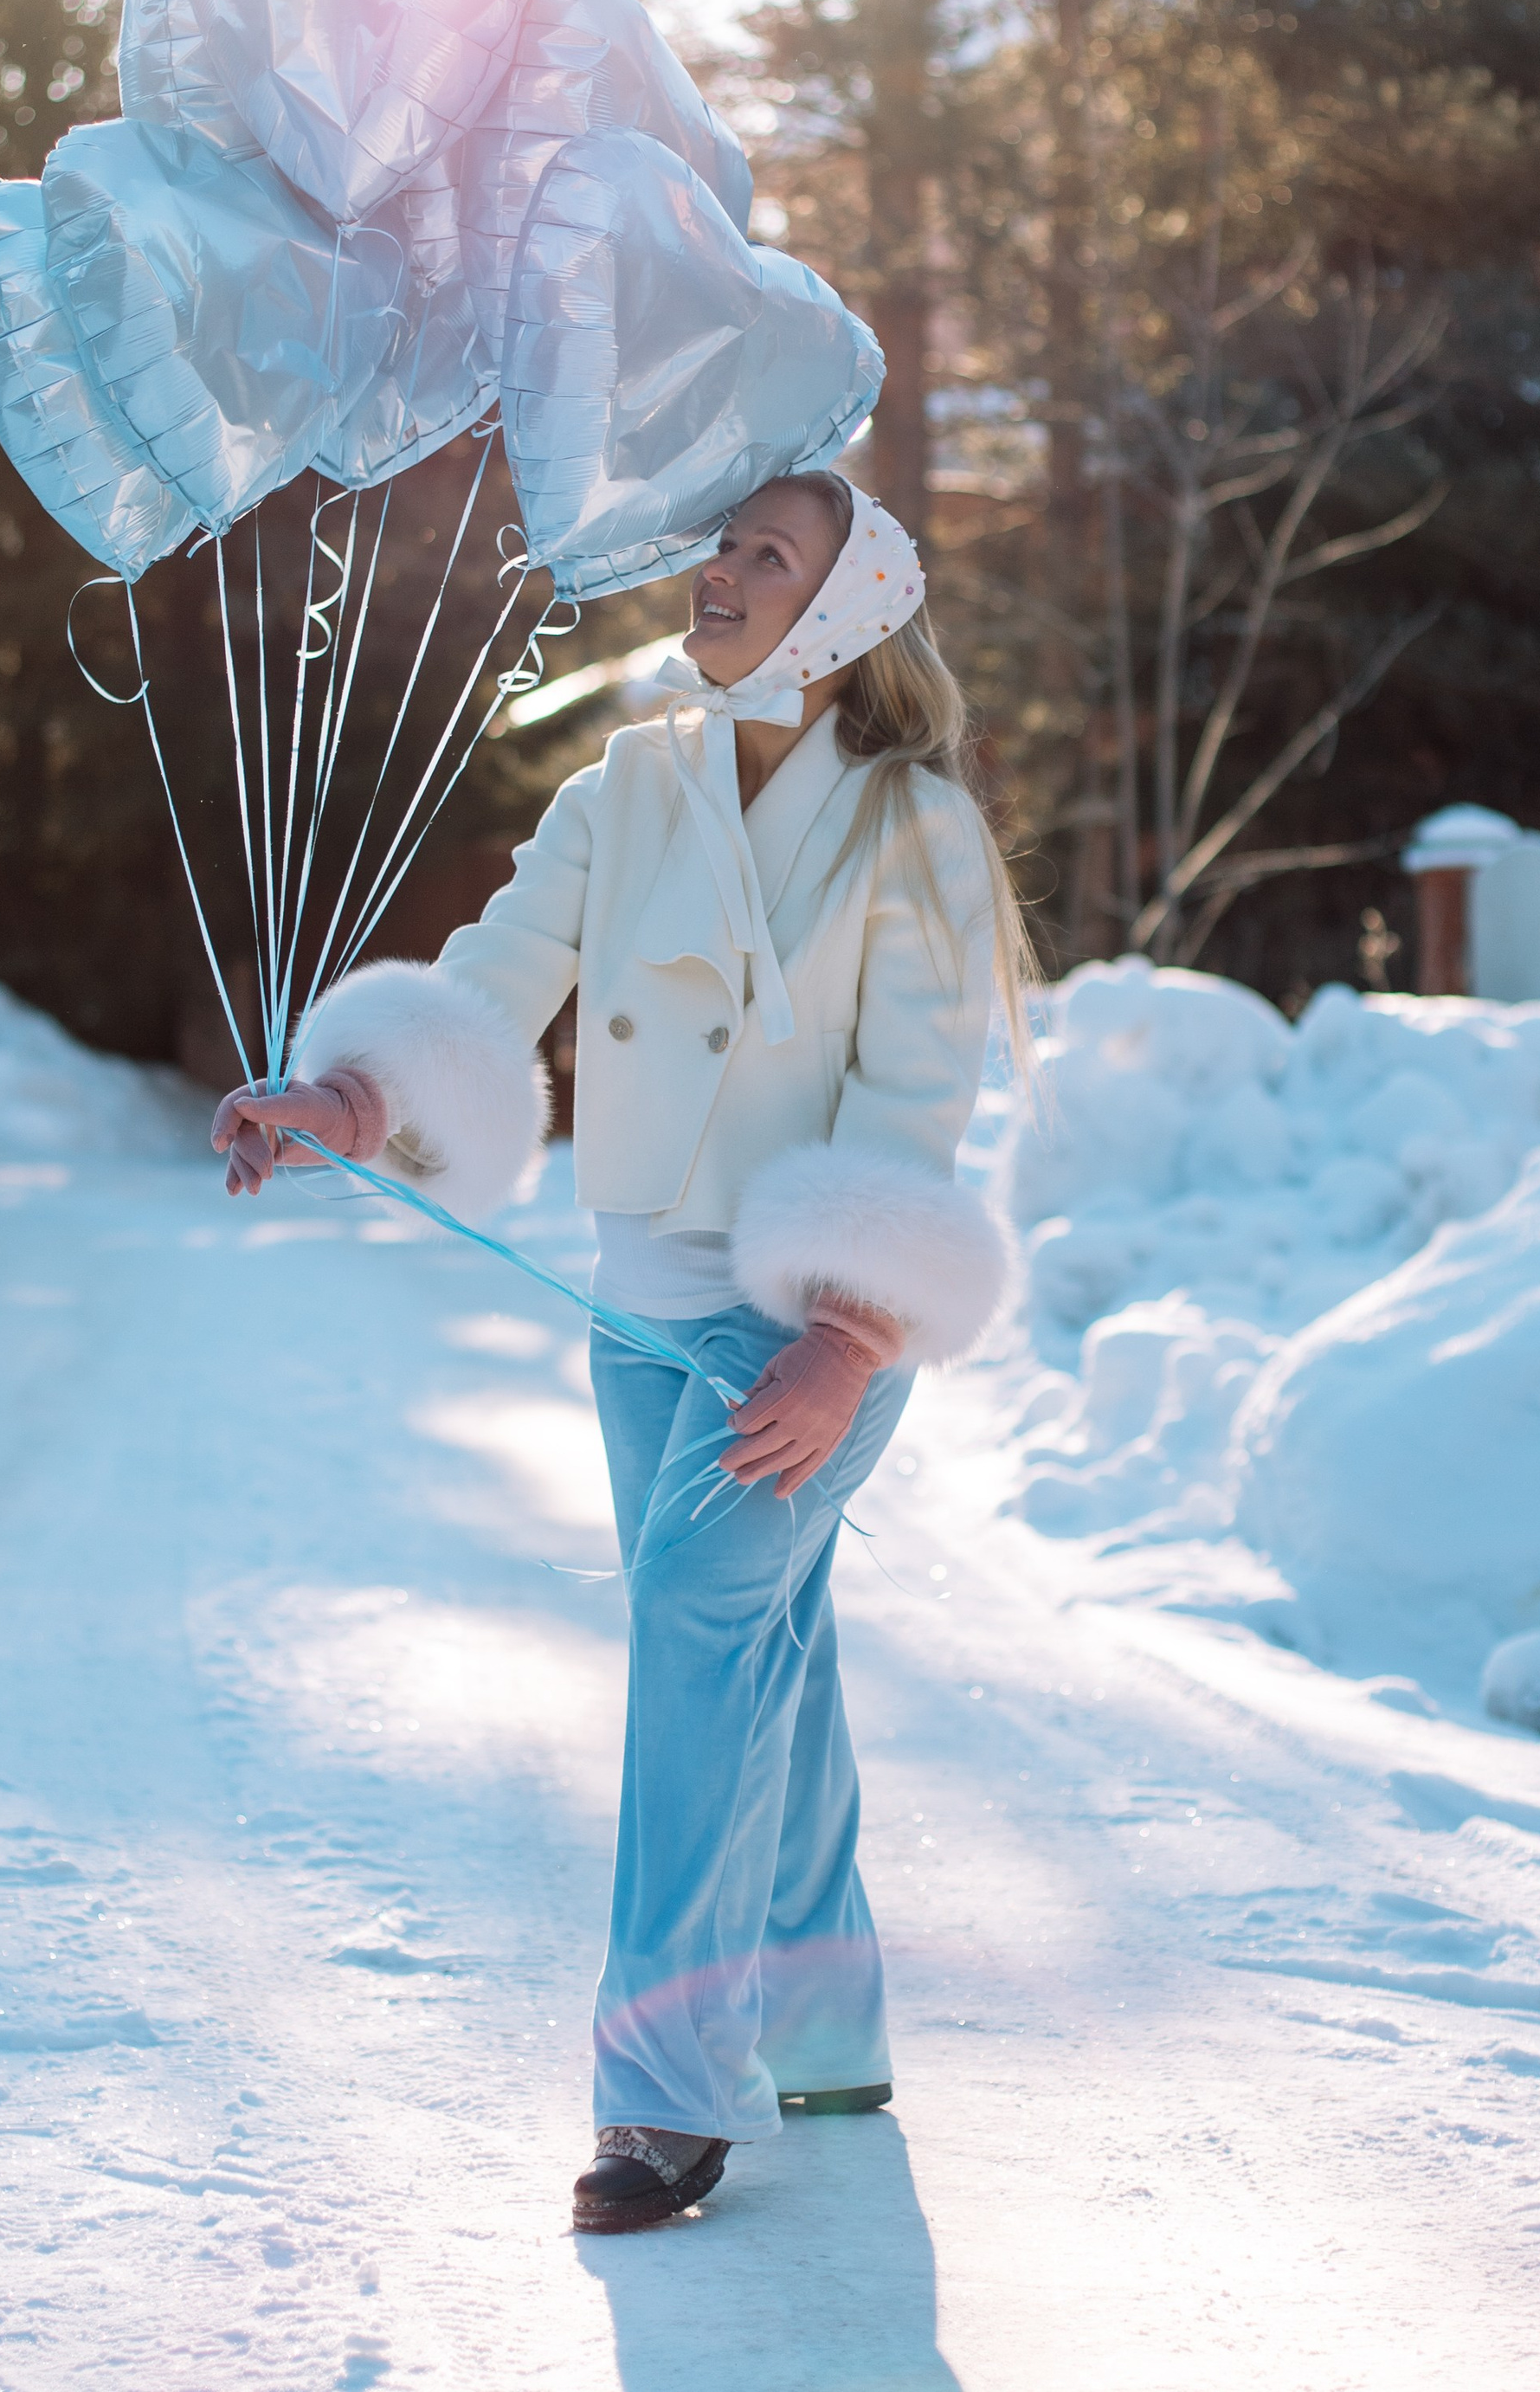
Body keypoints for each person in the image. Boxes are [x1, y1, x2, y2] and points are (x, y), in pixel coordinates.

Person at [212, 469, 1034, 2235]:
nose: (721, 573)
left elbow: (913, 1109)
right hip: (636, 1314)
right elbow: (498, 975)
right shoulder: (628, 785)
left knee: (693, 1614)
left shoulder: (916, 834)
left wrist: (853, 1337)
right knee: (765, 1634)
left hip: (805, 1321)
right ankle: (825, 2019)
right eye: (722, 545)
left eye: (767, 557)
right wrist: (349, 1097)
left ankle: (661, 2093)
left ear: (839, 612)